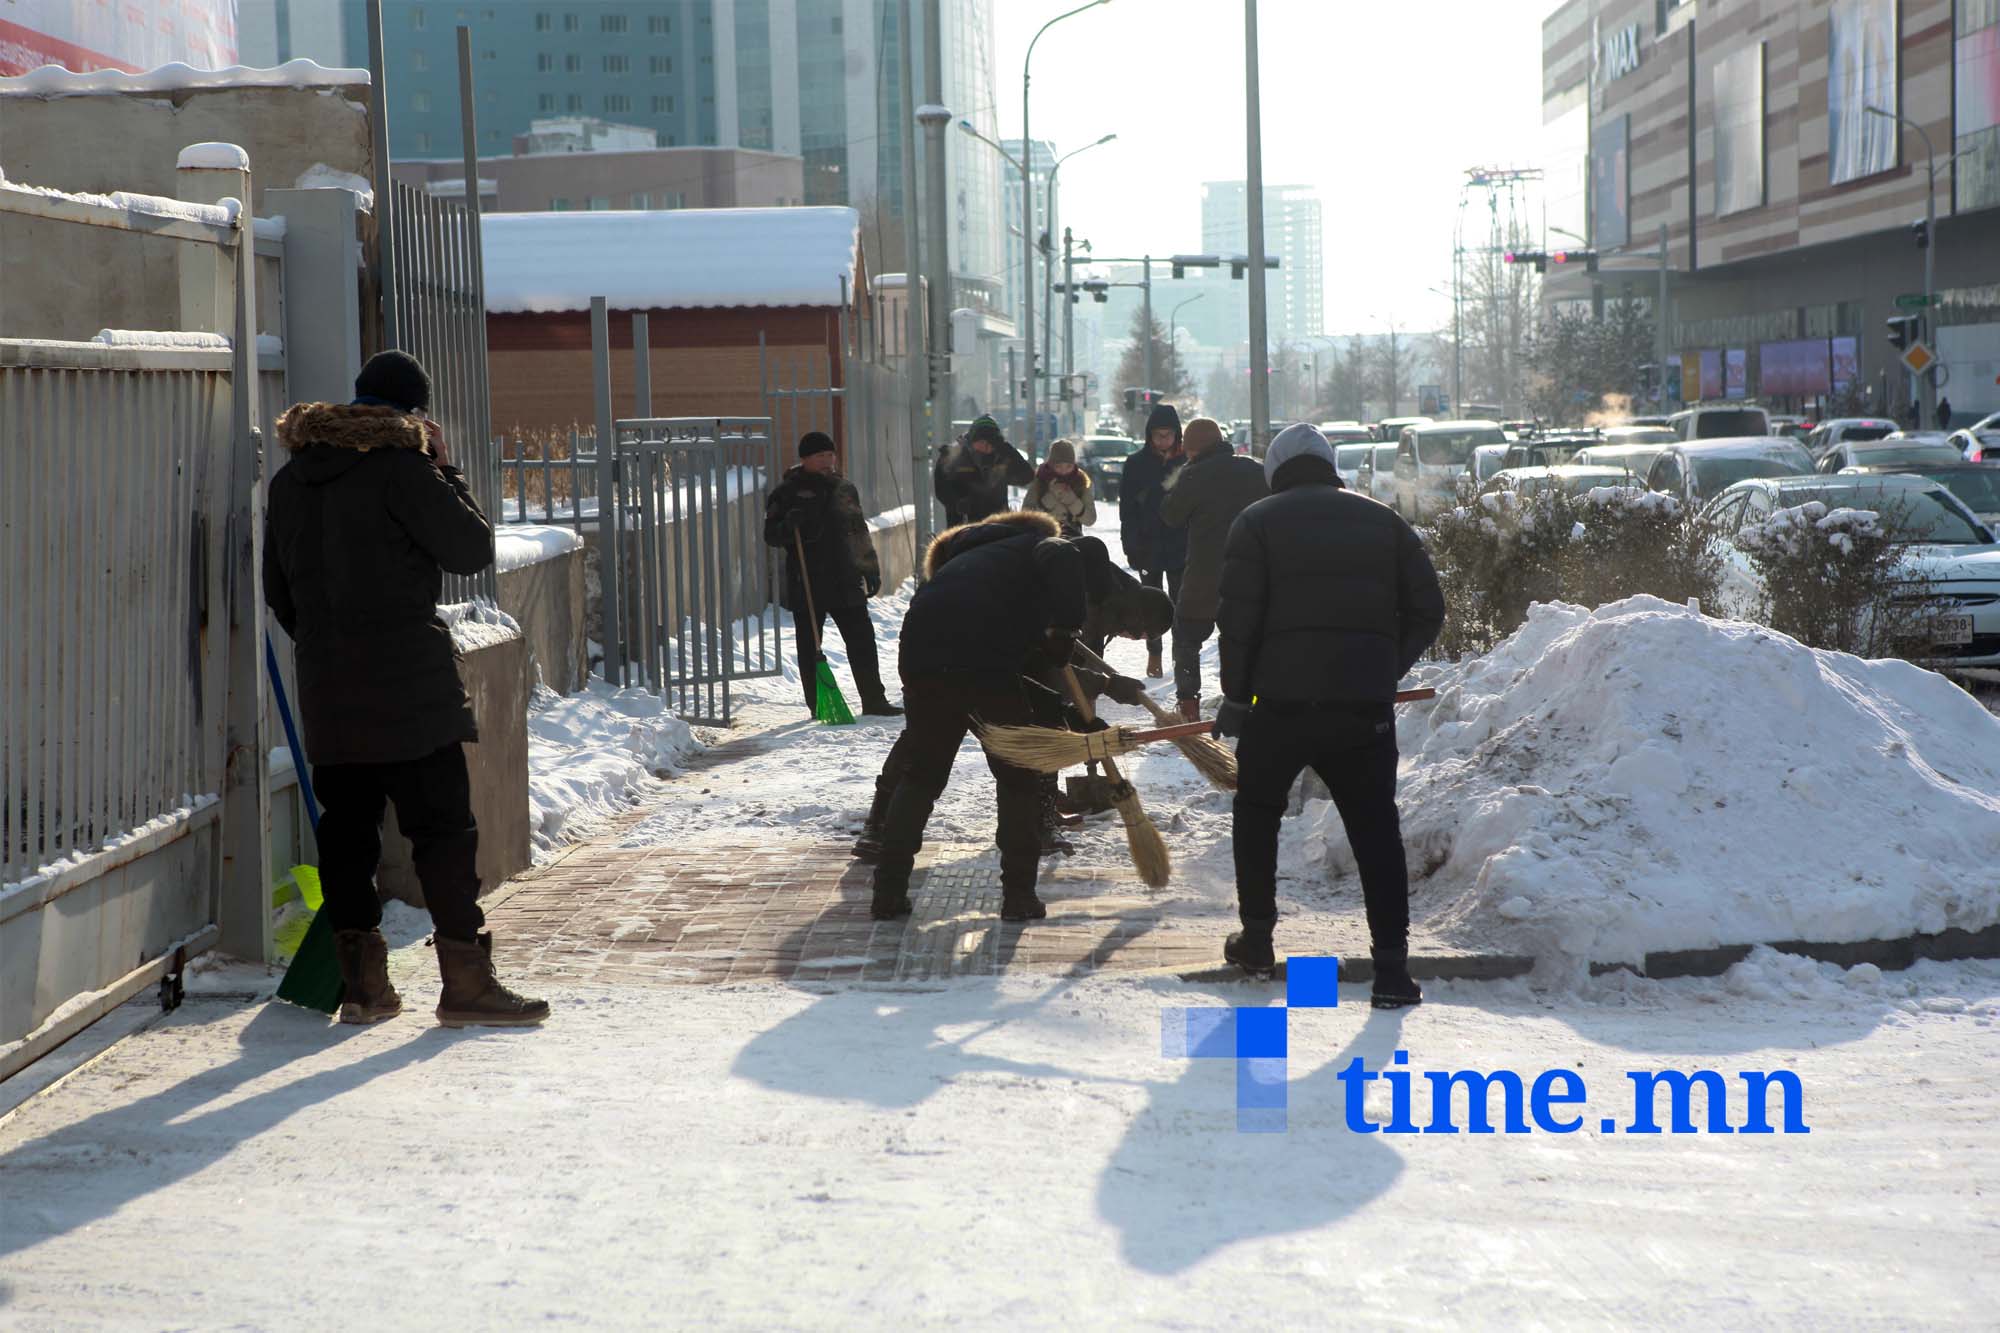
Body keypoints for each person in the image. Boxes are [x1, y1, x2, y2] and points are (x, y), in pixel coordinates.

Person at [264, 350, 548, 1028]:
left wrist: (330, 645)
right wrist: (445, 469)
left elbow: (279, 592)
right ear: (413, 412)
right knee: (443, 833)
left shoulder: (292, 477)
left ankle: (362, 985)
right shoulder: (403, 466)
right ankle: (466, 983)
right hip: (411, 687)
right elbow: (471, 549)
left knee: (348, 833)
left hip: (329, 687)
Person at [1211, 423, 1445, 1010]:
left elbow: (1237, 624)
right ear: (1330, 464)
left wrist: (1236, 699)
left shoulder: (1255, 523)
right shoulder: (1384, 522)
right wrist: (1382, 666)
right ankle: (1392, 970)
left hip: (1278, 708)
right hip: (1360, 711)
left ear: (1276, 470)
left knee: (1257, 814)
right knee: (1374, 830)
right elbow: (1428, 609)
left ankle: (1258, 941)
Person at [850, 538, 1172, 861]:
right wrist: (1103, 685)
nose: (1138, 640)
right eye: (1143, 634)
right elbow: (1044, 667)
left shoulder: (1093, 588)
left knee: (926, 747)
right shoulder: (1076, 591)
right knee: (1012, 749)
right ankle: (1033, 831)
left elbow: (1063, 669)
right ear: (1137, 616)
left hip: (941, 642)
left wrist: (1099, 693)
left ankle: (886, 839)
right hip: (970, 648)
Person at [868, 511, 1088, 924]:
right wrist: (1066, 631)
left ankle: (887, 893)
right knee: (1017, 776)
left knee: (920, 777)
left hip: (921, 661)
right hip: (984, 666)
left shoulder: (960, 567)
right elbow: (1065, 556)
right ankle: (1019, 897)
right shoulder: (1036, 544)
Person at [763, 431, 901, 718]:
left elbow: (858, 531)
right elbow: (771, 536)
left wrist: (870, 567)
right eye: (820, 456)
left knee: (862, 639)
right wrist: (789, 524)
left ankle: (874, 699)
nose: (828, 461)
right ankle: (818, 704)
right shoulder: (787, 492)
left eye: (830, 455)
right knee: (810, 644)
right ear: (805, 459)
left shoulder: (845, 489)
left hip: (846, 577)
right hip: (808, 579)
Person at [1160, 416, 1267, 721]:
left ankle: (1189, 707)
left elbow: (1171, 515)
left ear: (1192, 450)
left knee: (1186, 639)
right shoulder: (1255, 469)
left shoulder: (1195, 475)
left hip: (1205, 577)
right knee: (1244, 641)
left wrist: (1181, 479)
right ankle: (1249, 701)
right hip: (1252, 575)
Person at [1119, 403, 1189, 678]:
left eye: (1168, 435)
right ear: (1149, 435)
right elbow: (1127, 510)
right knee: (1151, 604)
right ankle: (1155, 654)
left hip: (1180, 545)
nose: (1163, 440)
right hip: (1147, 545)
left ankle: (1182, 656)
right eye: (1158, 435)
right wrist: (1131, 545)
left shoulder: (1187, 463)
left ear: (1177, 435)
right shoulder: (1136, 464)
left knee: (1181, 603)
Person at [934, 415, 1034, 526]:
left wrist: (1008, 451)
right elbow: (941, 488)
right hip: (963, 525)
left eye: (991, 444)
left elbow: (1027, 476)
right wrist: (958, 503)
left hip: (997, 524)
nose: (987, 447)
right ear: (972, 439)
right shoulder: (953, 454)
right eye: (982, 442)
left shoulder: (1001, 455)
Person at [1022, 438, 1098, 537]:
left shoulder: (1081, 481)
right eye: (1059, 466)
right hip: (1043, 536)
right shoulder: (1040, 481)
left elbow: (1090, 519)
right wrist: (1049, 500)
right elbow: (1026, 514)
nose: (1063, 471)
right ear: (1051, 464)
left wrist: (1072, 500)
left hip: (1073, 537)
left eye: (1068, 466)